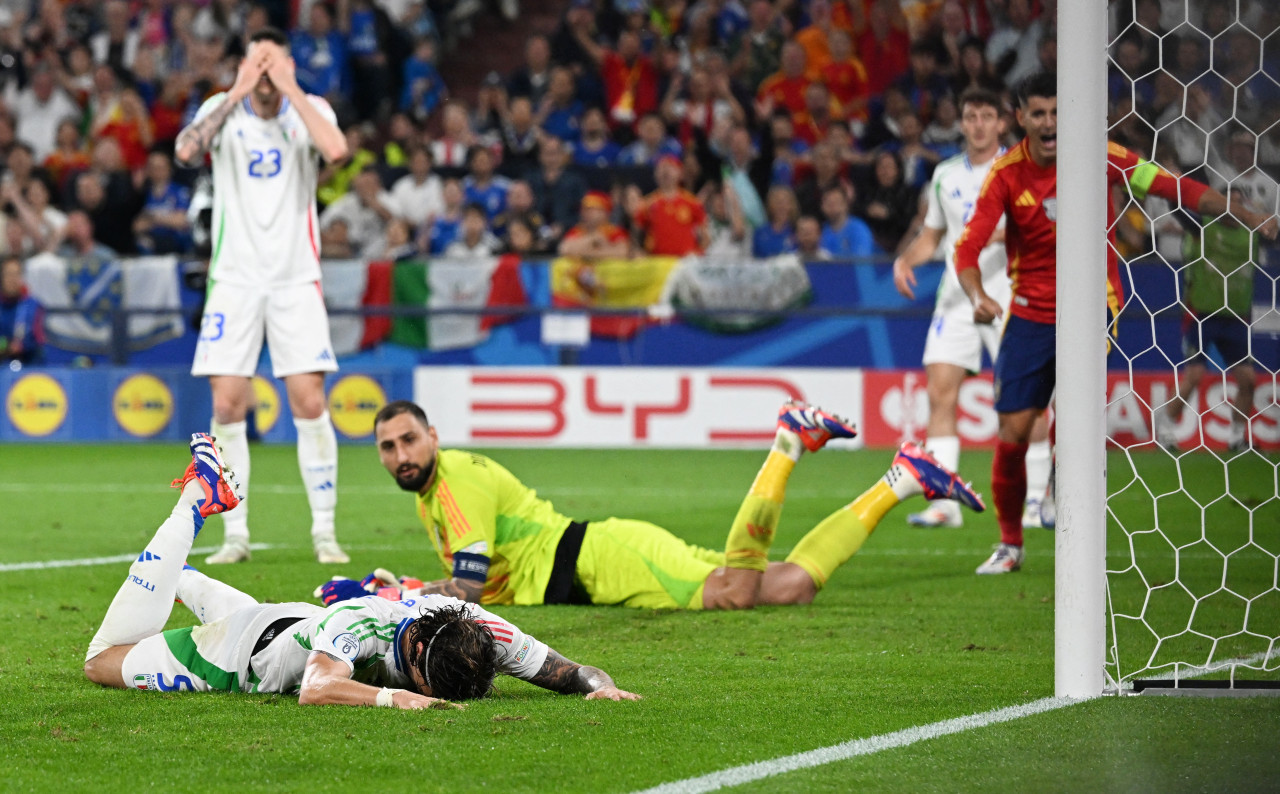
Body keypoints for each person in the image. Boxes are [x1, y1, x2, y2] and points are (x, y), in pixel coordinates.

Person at [954, 72, 1278, 575]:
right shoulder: (1006, 175)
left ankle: (1063, 484)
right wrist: (977, 296)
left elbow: (1174, 188)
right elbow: (968, 248)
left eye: (1057, 112)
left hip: (1092, 306)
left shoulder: (1099, 154)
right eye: (1037, 113)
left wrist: (1243, 212)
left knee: (1075, 408)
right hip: (1028, 314)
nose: (1048, 123)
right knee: (1012, 433)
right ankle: (1010, 544)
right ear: (1019, 118)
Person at [84, 435, 639, 705]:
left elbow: (569, 672)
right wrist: (394, 697)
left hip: (290, 623)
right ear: (415, 655)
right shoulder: (362, 622)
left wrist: (602, 686)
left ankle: (175, 569)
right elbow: (317, 689)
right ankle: (197, 499)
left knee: (171, 578)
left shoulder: (480, 631)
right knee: (100, 660)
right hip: (237, 656)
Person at [326, 399, 984, 610]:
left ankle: (788, 441)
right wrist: (406, 583)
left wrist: (401, 600)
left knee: (732, 592)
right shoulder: (430, 493)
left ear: (432, 436)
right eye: (387, 447)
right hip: (588, 564)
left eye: (408, 439)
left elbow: (468, 586)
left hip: (595, 563)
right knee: (784, 590)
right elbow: (483, 579)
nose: (399, 454)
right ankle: (901, 479)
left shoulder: (453, 481)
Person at [175, 28, 351, 565]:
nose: (266, 74)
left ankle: (324, 532)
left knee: (310, 401)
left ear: (290, 66)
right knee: (227, 404)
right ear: (245, 65)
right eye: (258, 63)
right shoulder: (221, 110)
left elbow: (337, 151)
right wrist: (236, 90)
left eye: (275, 63)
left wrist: (292, 87)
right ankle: (236, 537)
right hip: (235, 279)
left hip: (296, 277)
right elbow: (185, 151)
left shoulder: (309, 108)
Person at [892, 87, 1051, 530]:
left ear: (1002, 123)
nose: (978, 124)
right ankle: (944, 502)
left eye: (987, 116)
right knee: (940, 392)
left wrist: (986, 234)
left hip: (1010, 294)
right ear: (961, 123)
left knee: (1030, 403)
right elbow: (933, 236)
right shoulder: (944, 174)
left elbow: (1033, 226)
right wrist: (906, 258)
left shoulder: (1022, 169)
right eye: (970, 116)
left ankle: (1038, 500)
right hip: (957, 298)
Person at [1156, 186, 1262, 452]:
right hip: (1202, 314)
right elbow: (1176, 210)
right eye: (1227, 203)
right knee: (1194, 375)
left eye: (1238, 203)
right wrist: (1175, 185)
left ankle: (1237, 438)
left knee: (1248, 379)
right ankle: (1165, 429)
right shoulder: (1202, 228)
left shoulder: (1251, 235)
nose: (1232, 209)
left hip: (1235, 317)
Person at [0, 256, 42, 365]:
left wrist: (23, 346)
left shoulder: (34, 306)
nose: (12, 280)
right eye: (8, 274)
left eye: (16, 274)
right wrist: (6, 345)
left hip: (27, 368)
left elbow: (40, 342)